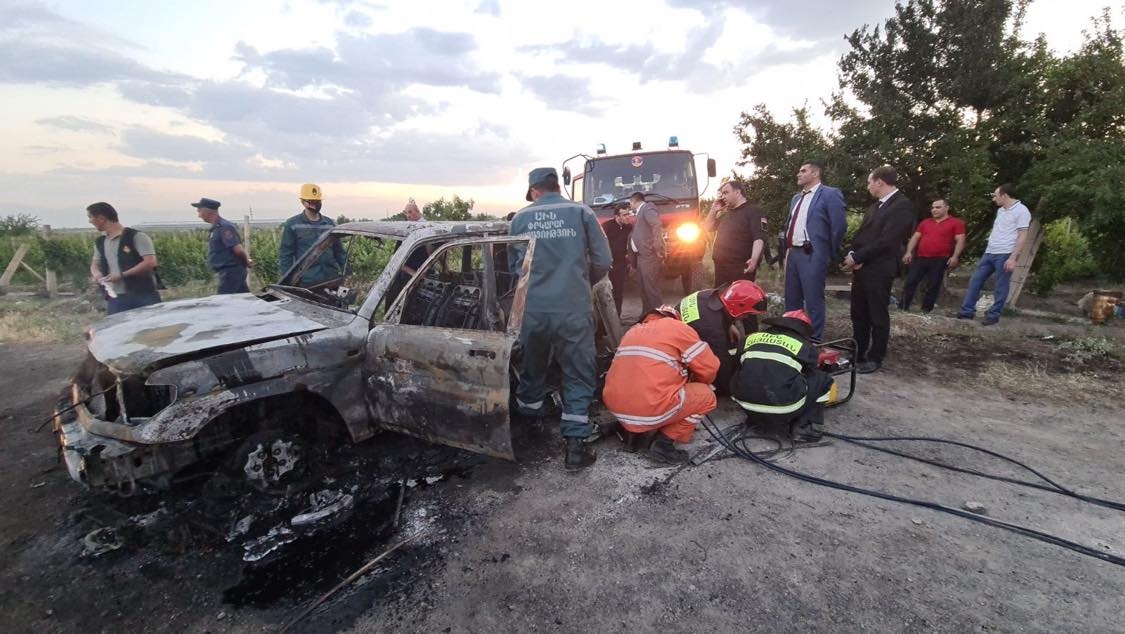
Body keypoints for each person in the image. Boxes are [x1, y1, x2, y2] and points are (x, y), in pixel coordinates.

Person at [509, 167, 613, 471]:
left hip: (533, 310)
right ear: (556, 186)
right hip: (573, 308)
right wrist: (581, 281)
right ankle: (575, 448)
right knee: (578, 372)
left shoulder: (519, 218)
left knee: (532, 368)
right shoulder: (581, 212)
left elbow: (515, 267)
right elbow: (604, 260)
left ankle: (531, 429)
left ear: (534, 191)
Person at [602, 305, 720, 465]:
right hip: (647, 408)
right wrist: (698, 385)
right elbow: (709, 367)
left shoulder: (632, 331)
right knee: (707, 396)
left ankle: (632, 433)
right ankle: (663, 445)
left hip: (615, 406)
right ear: (675, 318)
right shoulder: (678, 327)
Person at [843, 166, 917, 374]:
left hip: (880, 268)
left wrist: (858, 257)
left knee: (877, 315)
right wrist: (853, 254)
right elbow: (862, 235)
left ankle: (875, 357)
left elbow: (888, 241)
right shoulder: (875, 207)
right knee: (858, 312)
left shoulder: (902, 206)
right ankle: (857, 351)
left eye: (869, 182)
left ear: (879, 182)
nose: (868, 186)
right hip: (861, 268)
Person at [731, 309, 835, 443]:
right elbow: (812, 370)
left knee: (746, 369)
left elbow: (738, 363)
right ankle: (804, 426)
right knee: (823, 379)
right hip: (784, 408)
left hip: (743, 402)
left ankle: (756, 417)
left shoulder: (750, 338)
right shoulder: (805, 346)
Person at [782, 160, 848, 341]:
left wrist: (825, 251)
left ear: (815, 174)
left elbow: (839, 226)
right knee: (791, 298)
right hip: (793, 253)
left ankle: (814, 340)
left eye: (803, 171)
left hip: (813, 253)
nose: (798, 174)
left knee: (813, 299)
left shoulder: (830, 194)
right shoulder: (796, 198)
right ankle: (792, 337)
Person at [957, 184, 1032, 326]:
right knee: (976, 280)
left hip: (1005, 252)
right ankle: (967, 311)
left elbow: (1023, 235)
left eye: (995, 196)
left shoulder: (1022, 211)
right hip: (990, 251)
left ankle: (993, 315)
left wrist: (1013, 257)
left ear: (1004, 195)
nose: (994, 199)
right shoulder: (1001, 211)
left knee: (1001, 285)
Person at [678, 280, 768, 395]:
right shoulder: (713, 329)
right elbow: (721, 363)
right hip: (677, 350)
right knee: (715, 374)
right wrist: (732, 388)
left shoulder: (709, 295)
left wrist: (729, 324)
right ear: (738, 306)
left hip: (678, 327)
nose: (746, 317)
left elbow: (708, 315)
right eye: (747, 314)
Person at [86, 202, 161, 315]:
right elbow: (95, 264)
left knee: (150, 324)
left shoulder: (137, 237)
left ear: (101, 218)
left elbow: (150, 262)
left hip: (143, 294)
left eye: (90, 217)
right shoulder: (101, 241)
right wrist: (97, 275)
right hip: (116, 297)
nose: (90, 221)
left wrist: (121, 275)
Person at [900, 198, 966, 313]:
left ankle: (926, 310)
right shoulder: (925, 222)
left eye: (938, 207)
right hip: (921, 258)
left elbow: (960, 240)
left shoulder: (956, 223)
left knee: (933, 285)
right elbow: (915, 237)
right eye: (933, 208)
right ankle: (903, 307)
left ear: (946, 208)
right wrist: (909, 252)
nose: (934, 210)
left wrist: (955, 256)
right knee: (910, 282)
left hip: (940, 259)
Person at [279, 183, 346, 286]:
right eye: (311, 201)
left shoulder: (329, 224)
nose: (315, 204)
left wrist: (347, 273)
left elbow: (339, 252)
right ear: (303, 202)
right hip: (307, 281)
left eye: (317, 201)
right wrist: (288, 281)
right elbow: (286, 255)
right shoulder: (293, 225)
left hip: (331, 279)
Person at [703, 180, 766, 286]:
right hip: (721, 268)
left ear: (737, 192)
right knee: (720, 296)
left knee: (738, 296)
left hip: (740, 267)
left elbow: (759, 237)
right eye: (722, 194)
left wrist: (754, 259)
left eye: (726, 192)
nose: (723, 197)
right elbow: (706, 227)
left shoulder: (754, 211)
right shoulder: (726, 214)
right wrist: (713, 210)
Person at [192, 197, 253, 294]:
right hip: (229, 273)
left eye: (200, 210)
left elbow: (238, 249)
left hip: (231, 273)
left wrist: (247, 261)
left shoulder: (224, 227)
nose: (198, 213)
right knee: (243, 299)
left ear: (207, 211)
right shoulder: (217, 227)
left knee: (224, 300)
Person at [385, 199, 430, 308]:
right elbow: (396, 259)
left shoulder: (427, 228)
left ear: (418, 212)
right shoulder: (407, 231)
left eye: (410, 212)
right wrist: (413, 274)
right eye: (406, 213)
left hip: (424, 276)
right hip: (408, 276)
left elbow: (433, 252)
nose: (408, 215)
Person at [628, 191, 664, 315]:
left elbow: (656, 224)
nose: (630, 206)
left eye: (630, 203)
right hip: (641, 257)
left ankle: (660, 316)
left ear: (633, 201)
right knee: (644, 288)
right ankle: (647, 315)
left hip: (649, 256)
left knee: (651, 289)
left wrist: (657, 245)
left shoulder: (648, 208)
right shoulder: (639, 213)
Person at [601, 202, 634, 316]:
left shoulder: (629, 227)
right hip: (608, 264)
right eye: (624, 215)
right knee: (606, 292)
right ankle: (606, 318)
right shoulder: (606, 227)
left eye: (628, 214)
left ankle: (617, 316)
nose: (628, 217)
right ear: (617, 216)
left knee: (618, 291)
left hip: (621, 264)